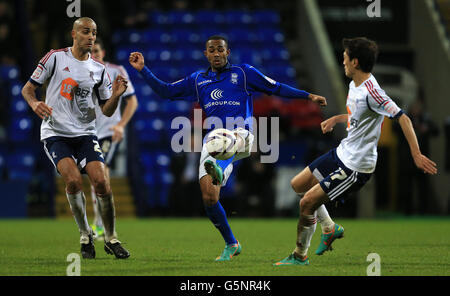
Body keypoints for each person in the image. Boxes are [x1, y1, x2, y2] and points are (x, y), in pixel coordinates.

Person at [128, 35, 332, 261]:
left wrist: (308, 96)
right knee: (209, 197)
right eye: (212, 50)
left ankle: (219, 169)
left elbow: (276, 87)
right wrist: (143, 69)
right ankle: (231, 243)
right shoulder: (198, 79)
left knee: (225, 142)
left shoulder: (244, 73)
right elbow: (166, 91)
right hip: (214, 140)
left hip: (242, 134)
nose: (216, 54)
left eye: (220, 50)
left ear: (228, 52)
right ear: (205, 54)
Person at [274, 37, 437, 266]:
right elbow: (361, 117)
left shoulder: (374, 92)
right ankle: (329, 228)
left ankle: (300, 256)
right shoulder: (354, 85)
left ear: (355, 62)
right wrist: (337, 118)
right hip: (343, 152)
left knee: (306, 204)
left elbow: (404, 118)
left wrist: (416, 155)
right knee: (298, 185)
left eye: (345, 58)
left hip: (355, 166)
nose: (343, 62)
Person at [21, 17, 130, 259]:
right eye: (85, 32)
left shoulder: (99, 70)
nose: (90, 37)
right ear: (73, 34)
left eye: (93, 33)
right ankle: (85, 235)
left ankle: (111, 238)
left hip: (85, 133)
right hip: (55, 133)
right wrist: (35, 102)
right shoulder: (55, 58)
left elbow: (106, 110)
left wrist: (118, 95)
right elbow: (28, 88)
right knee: (73, 182)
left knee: (101, 182)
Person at [89, 38, 138, 239]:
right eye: (91, 52)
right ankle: (100, 223)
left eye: (97, 50)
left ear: (104, 51)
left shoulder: (117, 70)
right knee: (95, 178)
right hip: (89, 132)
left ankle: (102, 225)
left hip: (109, 131)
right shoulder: (80, 72)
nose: (95, 54)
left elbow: (132, 101)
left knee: (101, 173)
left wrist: (120, 125)